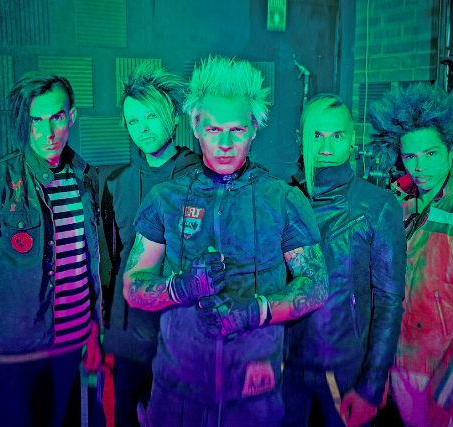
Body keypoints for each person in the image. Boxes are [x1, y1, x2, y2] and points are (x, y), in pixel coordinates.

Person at [122, 55, 329, 427]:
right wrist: (178, 288)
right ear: (195, 126)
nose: (225, 143)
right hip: (177, 395)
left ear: (254, 128)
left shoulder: (283, 199)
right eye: (213, 129)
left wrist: (256, 311)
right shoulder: (165, 198)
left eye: (237, 130)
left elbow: (315, 284)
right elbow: (133, 286)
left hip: (254, 398)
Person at [0, 72, 101, 426]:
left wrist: (94, 331)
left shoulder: (86, 178)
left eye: (56, 117)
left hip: (72, 344)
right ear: (25, 122)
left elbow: (88, 264)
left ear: (71, 117)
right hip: (13, 352)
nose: (48, 132)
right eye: (36, 120)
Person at [282, 94, 406, 427]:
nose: (326, 146)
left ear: (352, 139)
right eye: (317, 135)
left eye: (336, 135)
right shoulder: (283, 199)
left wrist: (371, 388)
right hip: (286, 367)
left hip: (345, 369)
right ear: (302, 138)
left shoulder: (378, 205)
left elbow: (389, 303)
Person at [368, 83, 453, 427]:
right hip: (402, 368)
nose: (420, 166)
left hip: (451, 372)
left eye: (430, 154)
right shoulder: (399, 209)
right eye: (410, 156)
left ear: (450, 151)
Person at [101, 63, 201, 426]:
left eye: (151, 116)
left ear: (172, 117)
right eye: (133, 121)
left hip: (185, 331)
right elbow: (112, 262)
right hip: (129, 333)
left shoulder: (202, 176)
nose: (142, 128)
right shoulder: (116, 183)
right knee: (126, 416)